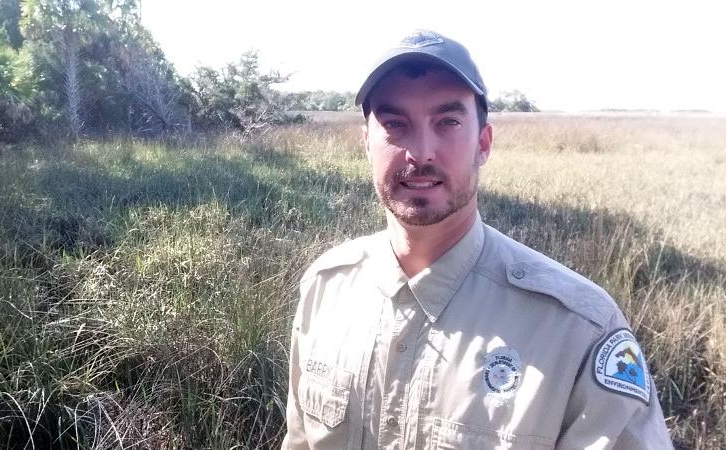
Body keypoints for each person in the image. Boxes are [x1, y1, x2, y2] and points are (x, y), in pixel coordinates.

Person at [282, 30, 673, 449]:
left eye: (447, 122)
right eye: (395, 124)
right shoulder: (327, 288)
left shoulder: (577, 327)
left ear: (483, 144)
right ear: (367, 144)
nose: (421, 153)